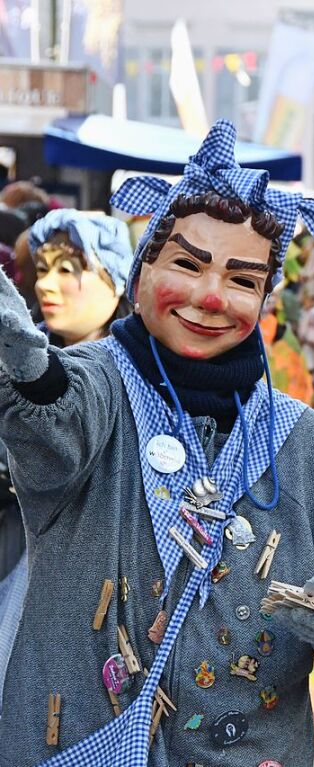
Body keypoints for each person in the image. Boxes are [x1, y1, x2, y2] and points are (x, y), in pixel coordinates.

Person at [0, 121, 314, 766]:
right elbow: (51, 427)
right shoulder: (99, 390)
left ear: (264, 299)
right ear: (141, 274)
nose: (210, 296)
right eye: (188, 265)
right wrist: (27, 362)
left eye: (242, 279)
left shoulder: (310, 452)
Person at [0, 210, 134, 717]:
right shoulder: (18, 356)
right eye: (42, 268)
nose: (48, 284)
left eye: (68, 268)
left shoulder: (138, 378)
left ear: (113, 277)